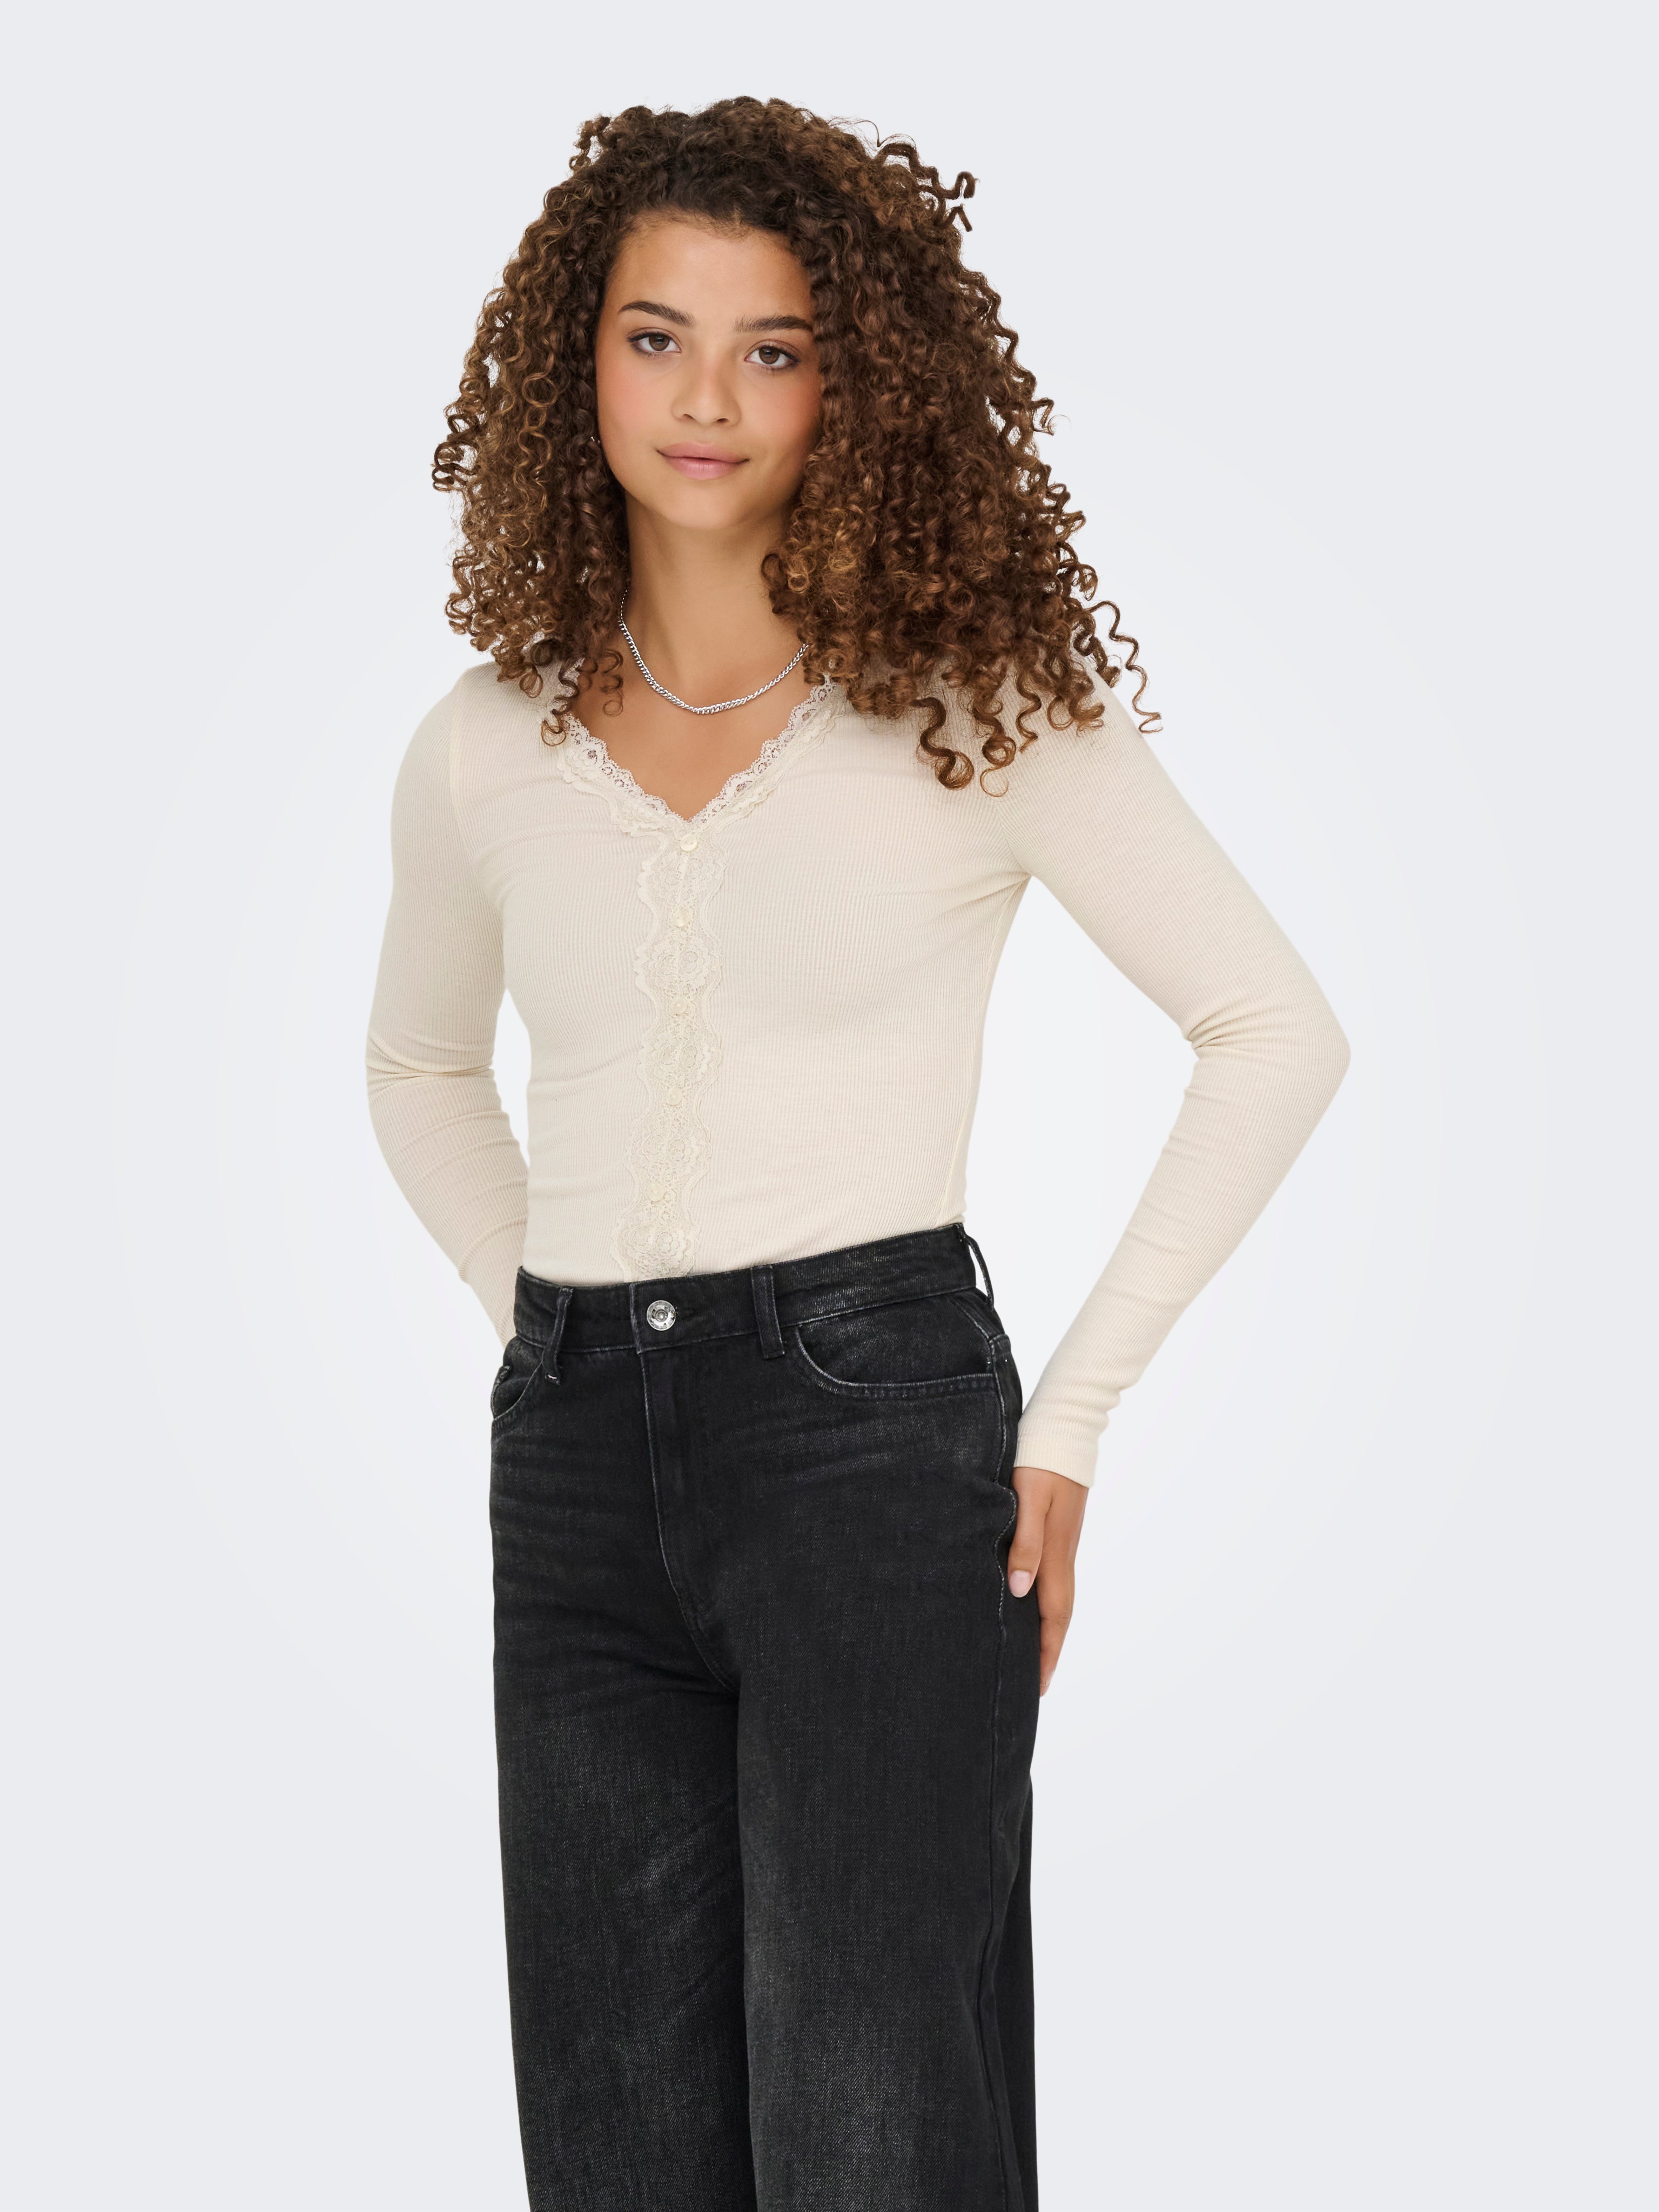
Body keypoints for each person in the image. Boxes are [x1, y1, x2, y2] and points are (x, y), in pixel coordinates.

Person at [365, 95, 1349, 2212]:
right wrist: (538, 1317)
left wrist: (1069, 1418)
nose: (707, 400)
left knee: (873, 2131)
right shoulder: (483, 744)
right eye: (657, 338)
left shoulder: (975, 702)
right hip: (573, 1460)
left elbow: (1274, 1030)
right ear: (576, 362)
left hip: (871, 1444)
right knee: (616, 2139)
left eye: (774, 348)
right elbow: (420, 1068)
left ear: (857, 384)